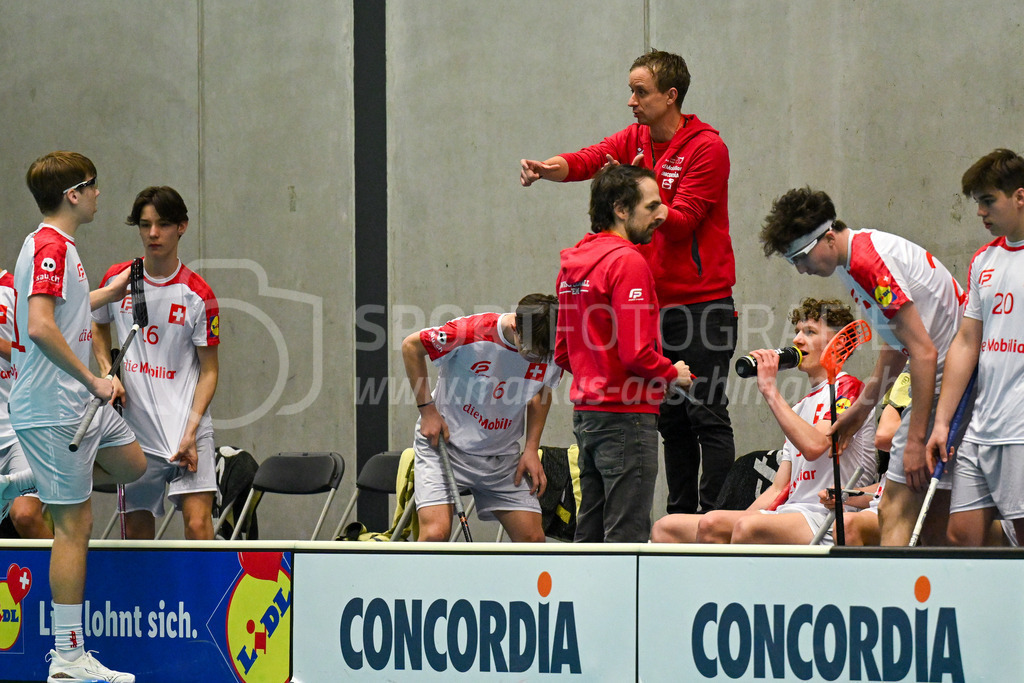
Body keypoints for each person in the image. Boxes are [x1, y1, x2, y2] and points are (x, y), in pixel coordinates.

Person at [521, 49, 735, 515]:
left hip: (702, 304)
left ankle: (714, 519)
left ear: (670, 95)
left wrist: (639, 185)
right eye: (630, 90)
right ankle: (682, 518)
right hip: (657, 304)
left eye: (641, 91)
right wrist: (548, 168)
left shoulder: (707, 148)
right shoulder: (636, 136)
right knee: (672, 421)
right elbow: (587, 158)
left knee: (707, 414)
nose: (631, 101)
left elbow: (681, 221)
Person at [2, 151, 145, 682]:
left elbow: (71, 305)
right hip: (58, 407)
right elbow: (39, 325)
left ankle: (25, 480)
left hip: (79, 405)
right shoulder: (46, 246)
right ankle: (66, 658)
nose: (100, 193)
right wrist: (94, 380)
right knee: (74, 525)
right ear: (73, 195)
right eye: (94, 185)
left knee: (132, 464)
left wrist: (116, 289)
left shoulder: (61, 248)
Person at [760, 187, 965, 546]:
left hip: (951, 381)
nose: (800, 270)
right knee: (935, 522)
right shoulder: (852, 262)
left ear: (826, 238)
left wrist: (915, 439)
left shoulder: (869, 263)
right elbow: (896, 347)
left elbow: (924, 353)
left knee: (895, 507)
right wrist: (860, 410)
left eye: (801, 258)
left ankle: (896, 600)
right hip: (953, 379)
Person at [651, 298, 876, 544]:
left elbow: (815, 447)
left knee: (741, 527)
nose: (798, 340)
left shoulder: (849, 388)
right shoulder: (799, 407)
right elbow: (779, 489)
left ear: (840, 342)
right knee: (669, 527)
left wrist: (770, 389)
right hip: (790, 513)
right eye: (798, 331)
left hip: (827, 517)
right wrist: (738, 520)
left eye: (810, 332)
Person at [554, 164, 691, 542]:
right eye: (651, 207)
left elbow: (563, 351)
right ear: (621, 209)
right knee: (626, 536)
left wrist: (595, 371)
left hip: (588, 416)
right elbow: (636, 355)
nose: (660, 216)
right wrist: (670, 374)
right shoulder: (628, 262)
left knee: (590, 532)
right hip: (626, 418)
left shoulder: (571, 268)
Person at [92, 186, 220, 540]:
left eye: (162, 224)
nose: (152, 234)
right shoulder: (118, 280)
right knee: (135, 535)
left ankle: (205, 597)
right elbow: (97, 326)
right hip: (135, 435)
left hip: (187, 432)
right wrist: (107, 370)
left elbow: (209, 371)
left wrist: (191, 431)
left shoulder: (199, 295)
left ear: (182, 226)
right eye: (145, 225)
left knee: (198, 525)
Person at [402, 293, 561, 542]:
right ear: (514, 327)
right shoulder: (468, 332)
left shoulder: (552, 346)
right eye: (529, 352)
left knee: (533, 541)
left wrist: (531, 448)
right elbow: (411, 347)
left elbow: (541, 391)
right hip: (446, 448)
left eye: (543, 355)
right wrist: (427, 410)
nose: (536, 359)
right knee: (435, 535)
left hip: (501, 457)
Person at [926, 149, 1024, 547]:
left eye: (988, 201)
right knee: (961, 537)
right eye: (977, 203)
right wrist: (941, 423)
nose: (981, 212)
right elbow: (967, 343)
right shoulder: (985, 259)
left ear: (1020, 196)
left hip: (1019, 431)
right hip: (981, 428)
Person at [0, 267, 52, 539]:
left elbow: (38, 356)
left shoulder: (16, 292)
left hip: (20, 431)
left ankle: (73, 581)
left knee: (25, 515)